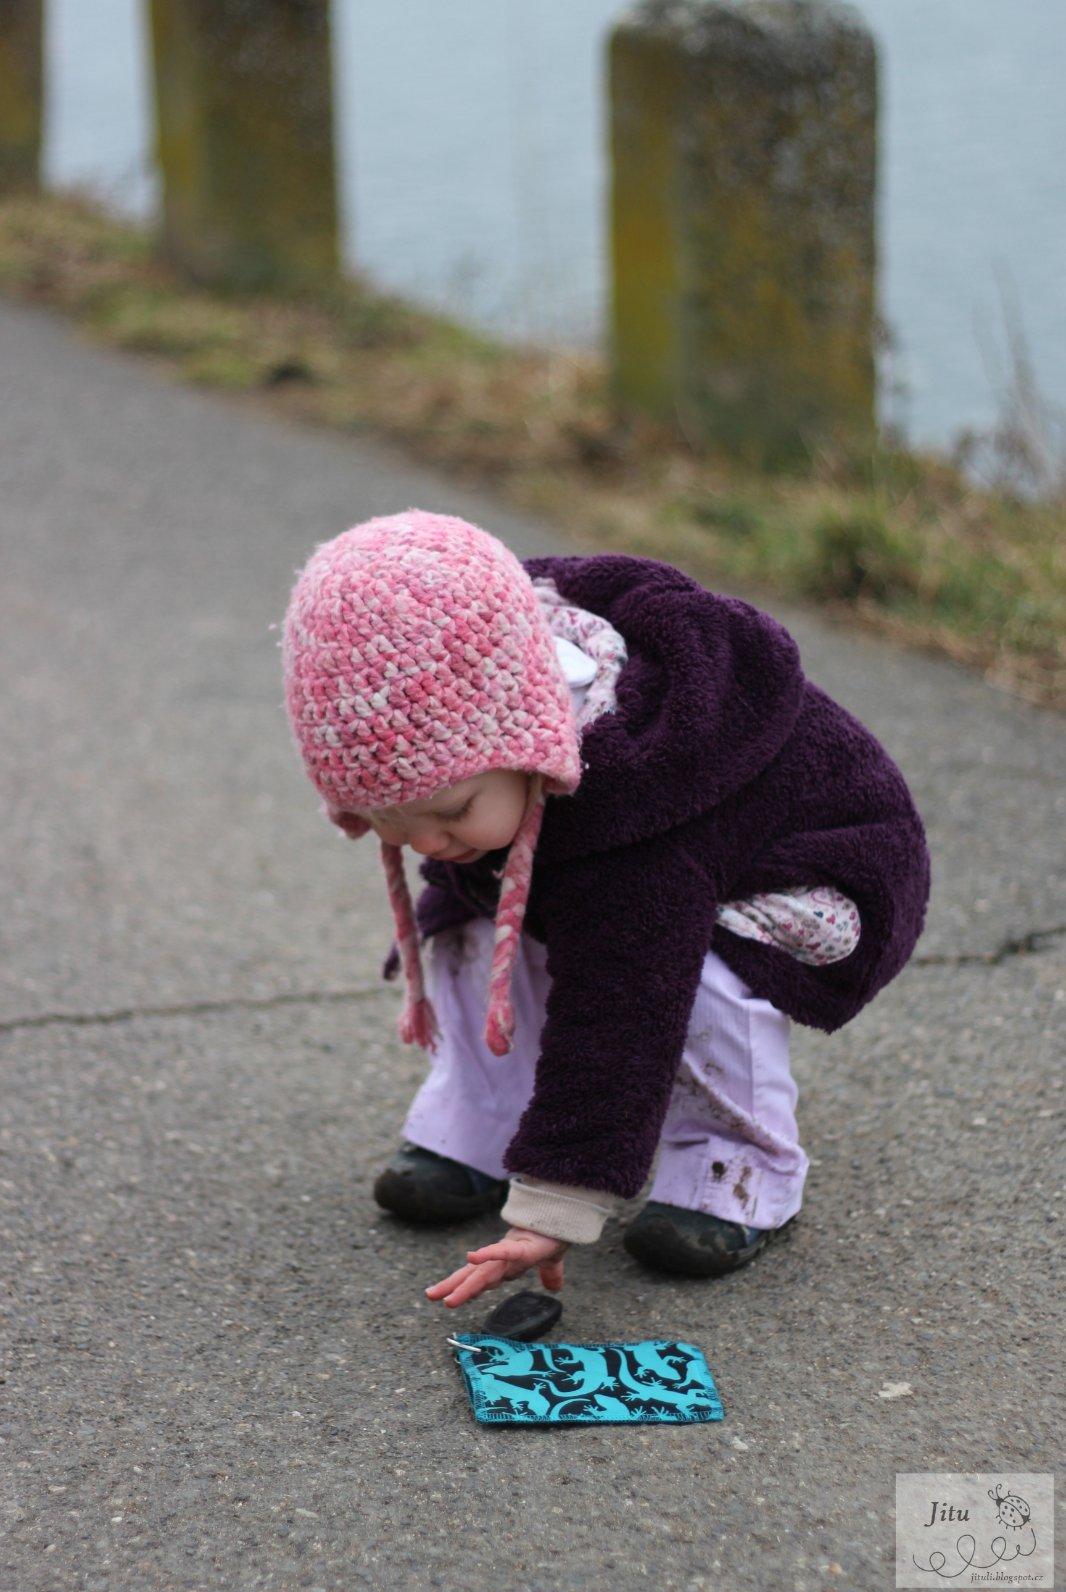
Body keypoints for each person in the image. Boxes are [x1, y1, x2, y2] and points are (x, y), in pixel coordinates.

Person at [281, 509, 931, 1309]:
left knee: (694, 979)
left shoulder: (632, 801)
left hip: (804, 870)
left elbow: (621, 1004)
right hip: (592, 850)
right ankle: (480, 1120)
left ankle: (734, 1169)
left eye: (450, 812)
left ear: (526, 744)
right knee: (462, 925)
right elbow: (453, 827)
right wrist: (439, 822)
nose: (423, 841)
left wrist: (558, 1202)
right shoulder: (476, 738)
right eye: (385, 818)